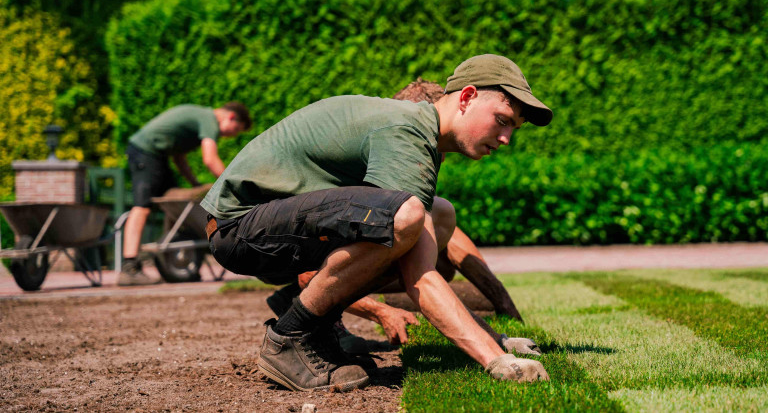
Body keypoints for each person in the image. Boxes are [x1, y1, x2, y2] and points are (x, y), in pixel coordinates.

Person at [202, 54, 553, 392]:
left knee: (438, 214)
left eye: (514, 128)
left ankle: (315, 331)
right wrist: (497, 359)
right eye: (503, 120)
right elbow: (420, 277)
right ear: (467, 97)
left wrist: (498, 340)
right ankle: (289, 338)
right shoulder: (407, 131)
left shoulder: (419, 135)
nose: (507, 138)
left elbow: (417, 260)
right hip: (239, 226)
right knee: (408, 215)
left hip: (264, 227)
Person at [264, 78, 527, 354]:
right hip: (273, 245)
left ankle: (294, 302)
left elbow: (454, 243)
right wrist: (381, 312)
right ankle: (308, 320)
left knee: (436, 247)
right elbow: (311, 274)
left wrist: (505, 313)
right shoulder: (384, 152)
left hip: (300, 247)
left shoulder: (415, 152)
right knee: (408, 246)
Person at [119, 102, 252, 286]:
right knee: (142, 207)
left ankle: (173, 261)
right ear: (230, 117)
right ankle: (130, 267)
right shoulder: (209, 120)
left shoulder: (197, 120)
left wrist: (195, 185)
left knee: (174, 200)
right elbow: (210, 159)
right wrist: (231, 184)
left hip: (156, 155)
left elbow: (179, 158)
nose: (231, 135)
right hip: (146, 153)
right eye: (235, 129)